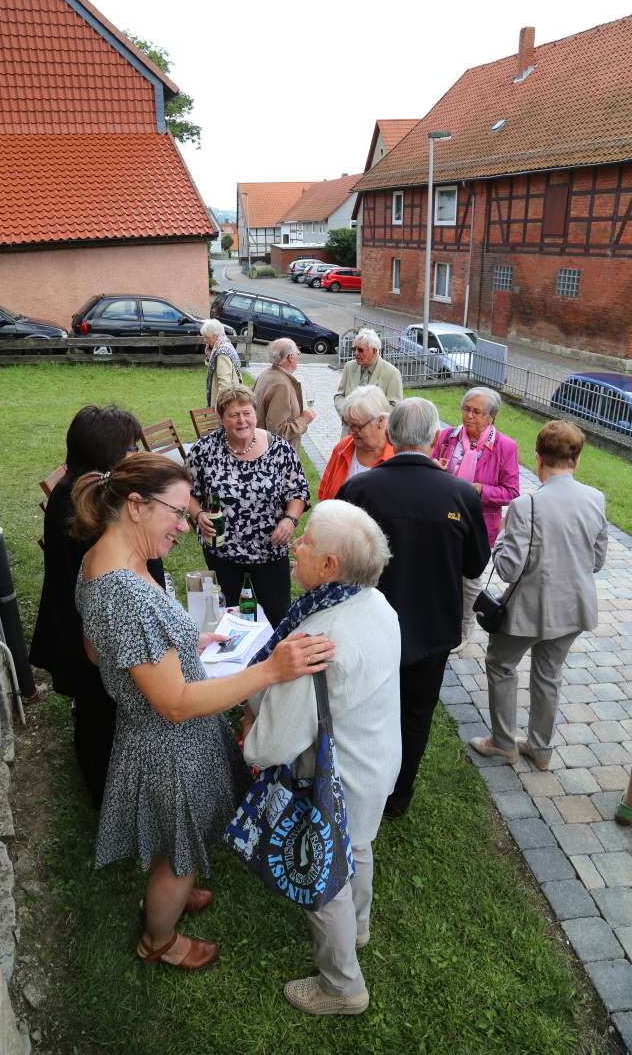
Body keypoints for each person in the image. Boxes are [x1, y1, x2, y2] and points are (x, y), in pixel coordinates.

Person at [73, 453, 334, 970]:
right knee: (179, 850)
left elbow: (96, 650)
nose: (186, 523)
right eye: (178, 510)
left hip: (147, 729)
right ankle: (161, 938)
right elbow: (173, 703)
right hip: (169, 743)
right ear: (135, 506)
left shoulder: (104, 559)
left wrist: (179, 644)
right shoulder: (124, 593)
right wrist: (270, 671)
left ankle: (170, 887)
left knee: (177, 843)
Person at [243, 500, 401, 1016]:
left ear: (330, 567)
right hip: (376, 760)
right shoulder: (378, 603)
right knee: (357, 845)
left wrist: (249, 730)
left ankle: (342, 986)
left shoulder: (316, 638)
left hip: (331, 776)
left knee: (321, 881)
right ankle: (358, 928)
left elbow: (272, 744)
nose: (296, 545)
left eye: (307, 541)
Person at [339, 398, 489, 816]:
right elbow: (476, 563)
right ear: (435, 438)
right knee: (416, 714)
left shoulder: (361, 488)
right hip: (433, 626)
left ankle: (360, 788)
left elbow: (340, 558)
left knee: (365, 708)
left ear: (390, 434)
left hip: (367, 623)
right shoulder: (459, 493)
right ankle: (398, 796)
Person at [29, 404, 161, 809]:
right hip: (85, 631)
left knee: (96, 709)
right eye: (127, 450)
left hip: (80, 623)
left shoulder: (78, 488)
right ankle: (105, 797)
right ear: (106, 458)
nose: (134, 456)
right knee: (97, 712)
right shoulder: (84, 506)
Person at [471, 421, 607, 770]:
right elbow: (597, 560)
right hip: (574, 608)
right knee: (549, 674)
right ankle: (540, 748)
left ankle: (503, 742)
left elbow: (507, 569)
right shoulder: (595, 499)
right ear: (576, 460)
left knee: (500, 664)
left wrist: (500, 538)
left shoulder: (525, 505)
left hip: (528, 609)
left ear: (538, 457)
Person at [186, 385, 310, 627]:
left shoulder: (279, 448)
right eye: (234, 415)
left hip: (269, 548)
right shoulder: (204, 450)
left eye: (247, 413)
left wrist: (289, 520)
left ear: (255, 414)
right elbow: (187, 492)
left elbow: (298, 491)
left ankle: (275, 657)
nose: (242, 420)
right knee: (229, 616)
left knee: (277, 613)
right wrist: (198, 513)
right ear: (221, 418)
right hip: (222, 549)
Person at [432, 387, 520, 651]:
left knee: (470, 580)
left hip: (479, 524)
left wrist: (481, 490)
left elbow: (511, 492)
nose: (469, 416)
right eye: (466, 409)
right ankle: (440, 618)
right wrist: (434, 469)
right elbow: (432, 464)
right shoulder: (448, 436)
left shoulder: (505, 447)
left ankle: (464, 628)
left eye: (477, 412)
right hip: (444, 518)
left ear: (491, 417)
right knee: (442, 573)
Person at [318, 385, 394, 500]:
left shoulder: (397, 455)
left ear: (380, 421)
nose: (350, 431)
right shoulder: (343, 448)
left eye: (357, 426)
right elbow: (325, 496)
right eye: (347, 424)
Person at [333, 328, 403, 434]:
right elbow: (339, 396)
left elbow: (395, 408)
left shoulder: (392, 373)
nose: (356, 353)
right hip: (349, 433)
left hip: (375, 436)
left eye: (360, 350)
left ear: (374, 351)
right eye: (354, 349)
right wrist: (347, 414)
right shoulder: (349, 367)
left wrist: (366, 418)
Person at [253, 338, 315, 455]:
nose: (298, 357)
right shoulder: (281, 385)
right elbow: (277, 431)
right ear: (290, 357)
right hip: (279, 459)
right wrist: (304, 420)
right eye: (297, 353)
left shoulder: (265, 374)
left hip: (262, 451)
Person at [202, 318, 241, 408]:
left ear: (215, 336)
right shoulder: (226, 345)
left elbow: (224, 383)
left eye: (206, 337)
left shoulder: (221, 353)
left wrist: (219, 407)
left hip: (226, 404)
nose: (205, 340)